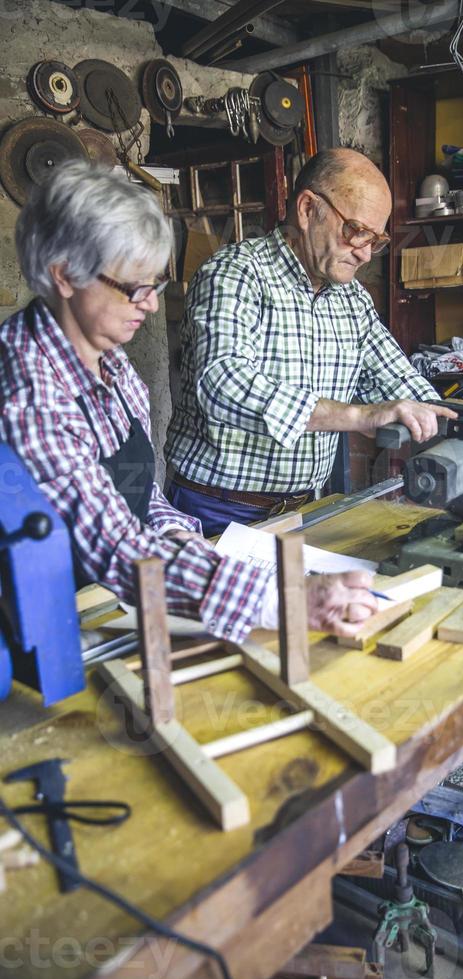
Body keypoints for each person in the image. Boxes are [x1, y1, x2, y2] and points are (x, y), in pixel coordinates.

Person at [0, 161, 378, 642]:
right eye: (135, 288)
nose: (153, 306)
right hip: (41, 631)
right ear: (64, 276)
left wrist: (178, 533)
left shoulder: (111, 366)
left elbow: (138, 497)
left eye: (156, 285)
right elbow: (115, 545)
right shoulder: (27, 390)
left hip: (109, 603)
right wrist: (284, 600)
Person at [165, 147, 457, 536]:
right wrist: (358, 416)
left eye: (377, 239)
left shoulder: (351, 301)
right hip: (214, 511)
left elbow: (404, 386)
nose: (366, 253)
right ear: (306, 210)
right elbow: (222, 384)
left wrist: (461, 422)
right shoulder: (235, 274)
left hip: (304, 509)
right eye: (356, 231)